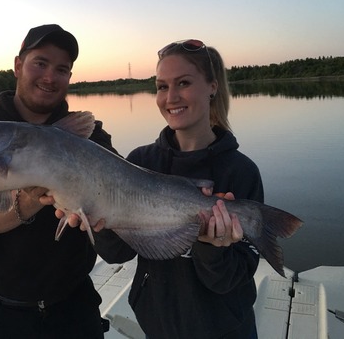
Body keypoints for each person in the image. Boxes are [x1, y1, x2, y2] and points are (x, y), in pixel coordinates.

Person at [0, 24, 117, 339]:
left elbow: (117, 234)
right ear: (18, 65)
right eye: (40, 63)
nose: (50, 77)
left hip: (74, 306)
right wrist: (29, 198)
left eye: (61, 69)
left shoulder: (91, 136)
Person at [87, 39, 263, 338]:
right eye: (162, 86)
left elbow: (232, 279)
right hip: (158, 325)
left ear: (212, 87)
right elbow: (118, 254)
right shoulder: (141, 162)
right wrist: (98, 216)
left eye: (183, 83)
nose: (170, 97)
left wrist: (212, 248)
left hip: (226, 329)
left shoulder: (241, 171)